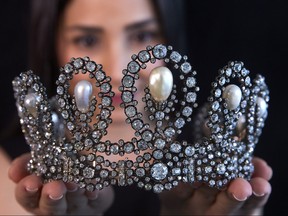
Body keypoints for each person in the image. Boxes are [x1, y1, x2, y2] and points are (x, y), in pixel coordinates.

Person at [1, 0, 273, 215]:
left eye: (143, 35)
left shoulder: (218, 168)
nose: (118, 71)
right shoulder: (8, 176)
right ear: (53, 44)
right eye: (87, 40)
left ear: (169, 37)